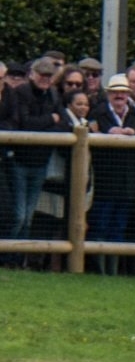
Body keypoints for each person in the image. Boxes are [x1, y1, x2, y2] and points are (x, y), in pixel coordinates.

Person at [88, 75, 135, 274]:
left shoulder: (134, 114)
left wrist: (132, 132)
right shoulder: (98, 112)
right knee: (100, 225)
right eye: (115, 92)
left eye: (123, 92)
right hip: (105, 180)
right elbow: (90, 129)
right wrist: (109, 132)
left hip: (127, 183)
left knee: (118, 226)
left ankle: (113, 271)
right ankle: (97, 271)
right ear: (108, 94)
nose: (119, 96)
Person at [1, 56, 64, 251]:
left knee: (28, 216)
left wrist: (47, 123)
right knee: (18, 214)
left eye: (49, 76)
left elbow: (63, 124)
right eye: (42, 75)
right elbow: (24, 123)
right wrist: (50, 119)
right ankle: (7, 256)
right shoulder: (21, 92)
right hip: (19, 161)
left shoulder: (53, 95)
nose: (45, 79)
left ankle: (19, 258)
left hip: (40, 162)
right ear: (32, 74)